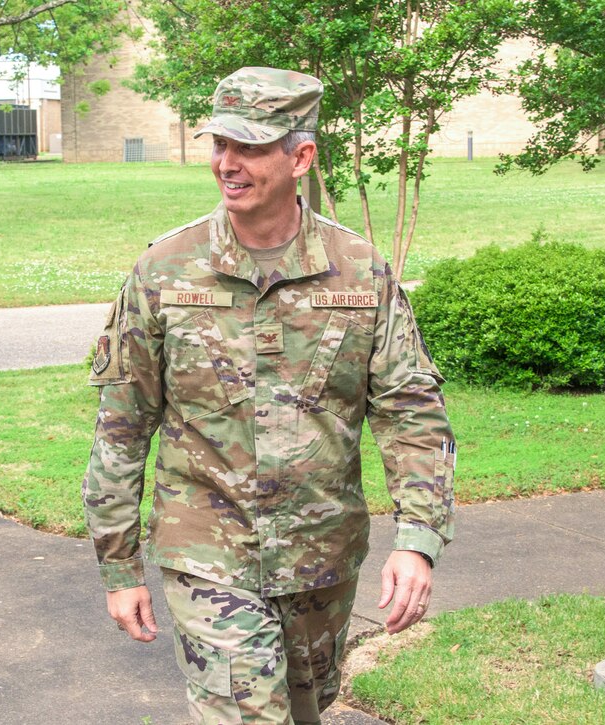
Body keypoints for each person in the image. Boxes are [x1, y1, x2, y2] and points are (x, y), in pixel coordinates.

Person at [82, 67, 456, 724]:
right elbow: (123, 422)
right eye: (219, 144)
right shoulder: (166, 270)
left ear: (301, 156)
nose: (227, 163)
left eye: (249, 147)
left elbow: (410, 409)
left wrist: (417, 536)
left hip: (322, 560)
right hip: (207, 553)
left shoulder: (359, 271)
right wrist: (118, 561)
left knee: (307, 711)